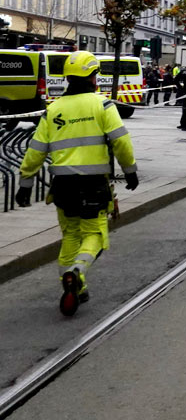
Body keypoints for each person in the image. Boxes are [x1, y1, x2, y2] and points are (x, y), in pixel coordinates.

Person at [15, 50, 139, 316]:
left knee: (70, 235)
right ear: (94, 77)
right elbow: (121, 141)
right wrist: (130, 171)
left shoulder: (53, 109)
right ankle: (77, 272)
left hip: (62, 186)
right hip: (94, 184)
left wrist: (25, 184)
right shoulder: (103, 105)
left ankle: (74, 288)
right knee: (94, 234)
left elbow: (35, 150)